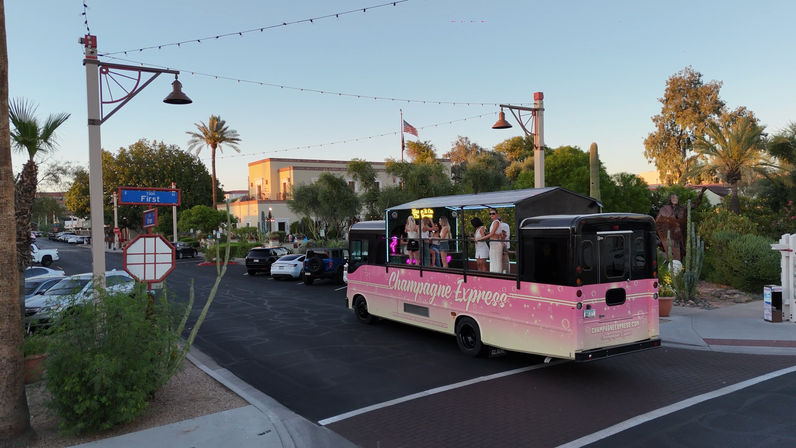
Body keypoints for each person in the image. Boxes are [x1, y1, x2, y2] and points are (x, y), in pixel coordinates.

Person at [656, 188, 706, 261]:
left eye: (676, 197)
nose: (675, 199)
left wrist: (701, 193)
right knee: (671, 253)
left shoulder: (682, 208)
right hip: (668, 235)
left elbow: (695, 204)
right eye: (673, 197)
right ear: (670, 199)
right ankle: (672, 267)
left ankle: (679, 268)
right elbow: (657, 222)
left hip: (679, 235)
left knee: (680, 252)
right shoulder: (664, 209)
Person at [482, 208, 503, 273]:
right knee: (493, 260)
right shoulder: (494, 222)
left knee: (496, 261)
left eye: (493, 213)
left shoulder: (496, 222)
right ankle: (494, 274)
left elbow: (492, 233)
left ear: (497, 214)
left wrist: (481, 238)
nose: (491, 215)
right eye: (490, 214)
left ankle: (497, 275)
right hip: (493, 243)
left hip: (496, 243)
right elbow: (493, 234)